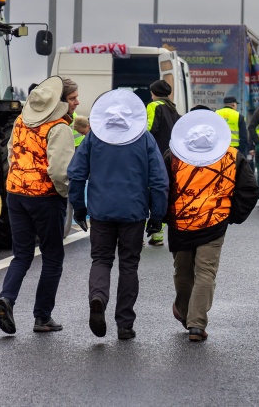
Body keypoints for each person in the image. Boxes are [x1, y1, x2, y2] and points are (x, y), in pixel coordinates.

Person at [68, 89, 168, 340]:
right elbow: (159, 181)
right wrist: (157, 216)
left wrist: (79, 208)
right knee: (129, 265)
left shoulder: (93, 139)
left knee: (101, 260)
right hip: (134, 212)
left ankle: (98, 297)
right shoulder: (144, 139)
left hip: (101, 211)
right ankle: (125, 324)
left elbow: (77, 174)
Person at [164, 109, 258, 342]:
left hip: (180, 223)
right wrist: (231, 215)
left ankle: (184, 312)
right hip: (214, 224)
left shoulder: (173, 155)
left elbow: (160, 187)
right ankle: (197, 325)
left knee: (182, 272)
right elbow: (249, 189)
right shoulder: (231, 156)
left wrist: (164, 216)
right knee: (205, 272)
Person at [0, 76, 74, 335]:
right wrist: (64, 195)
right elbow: (60, 171)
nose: (77, 102)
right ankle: (42, 317)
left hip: (15, 193)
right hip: (45, 197)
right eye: (72, 99)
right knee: (52, 257)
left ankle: (7, 298)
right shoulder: (58, 127)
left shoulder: (20, 121)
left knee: (22, 254)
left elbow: (10, 153)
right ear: (60, 103)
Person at [146, 79, 181, 246]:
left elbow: (149, 130)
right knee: (163, 193)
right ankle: (158, 235)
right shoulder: (173, 109)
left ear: (154, 93)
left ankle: (139, 235)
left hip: (155, 157)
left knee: (146, 193)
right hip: (171, 157)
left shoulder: (154, 106)